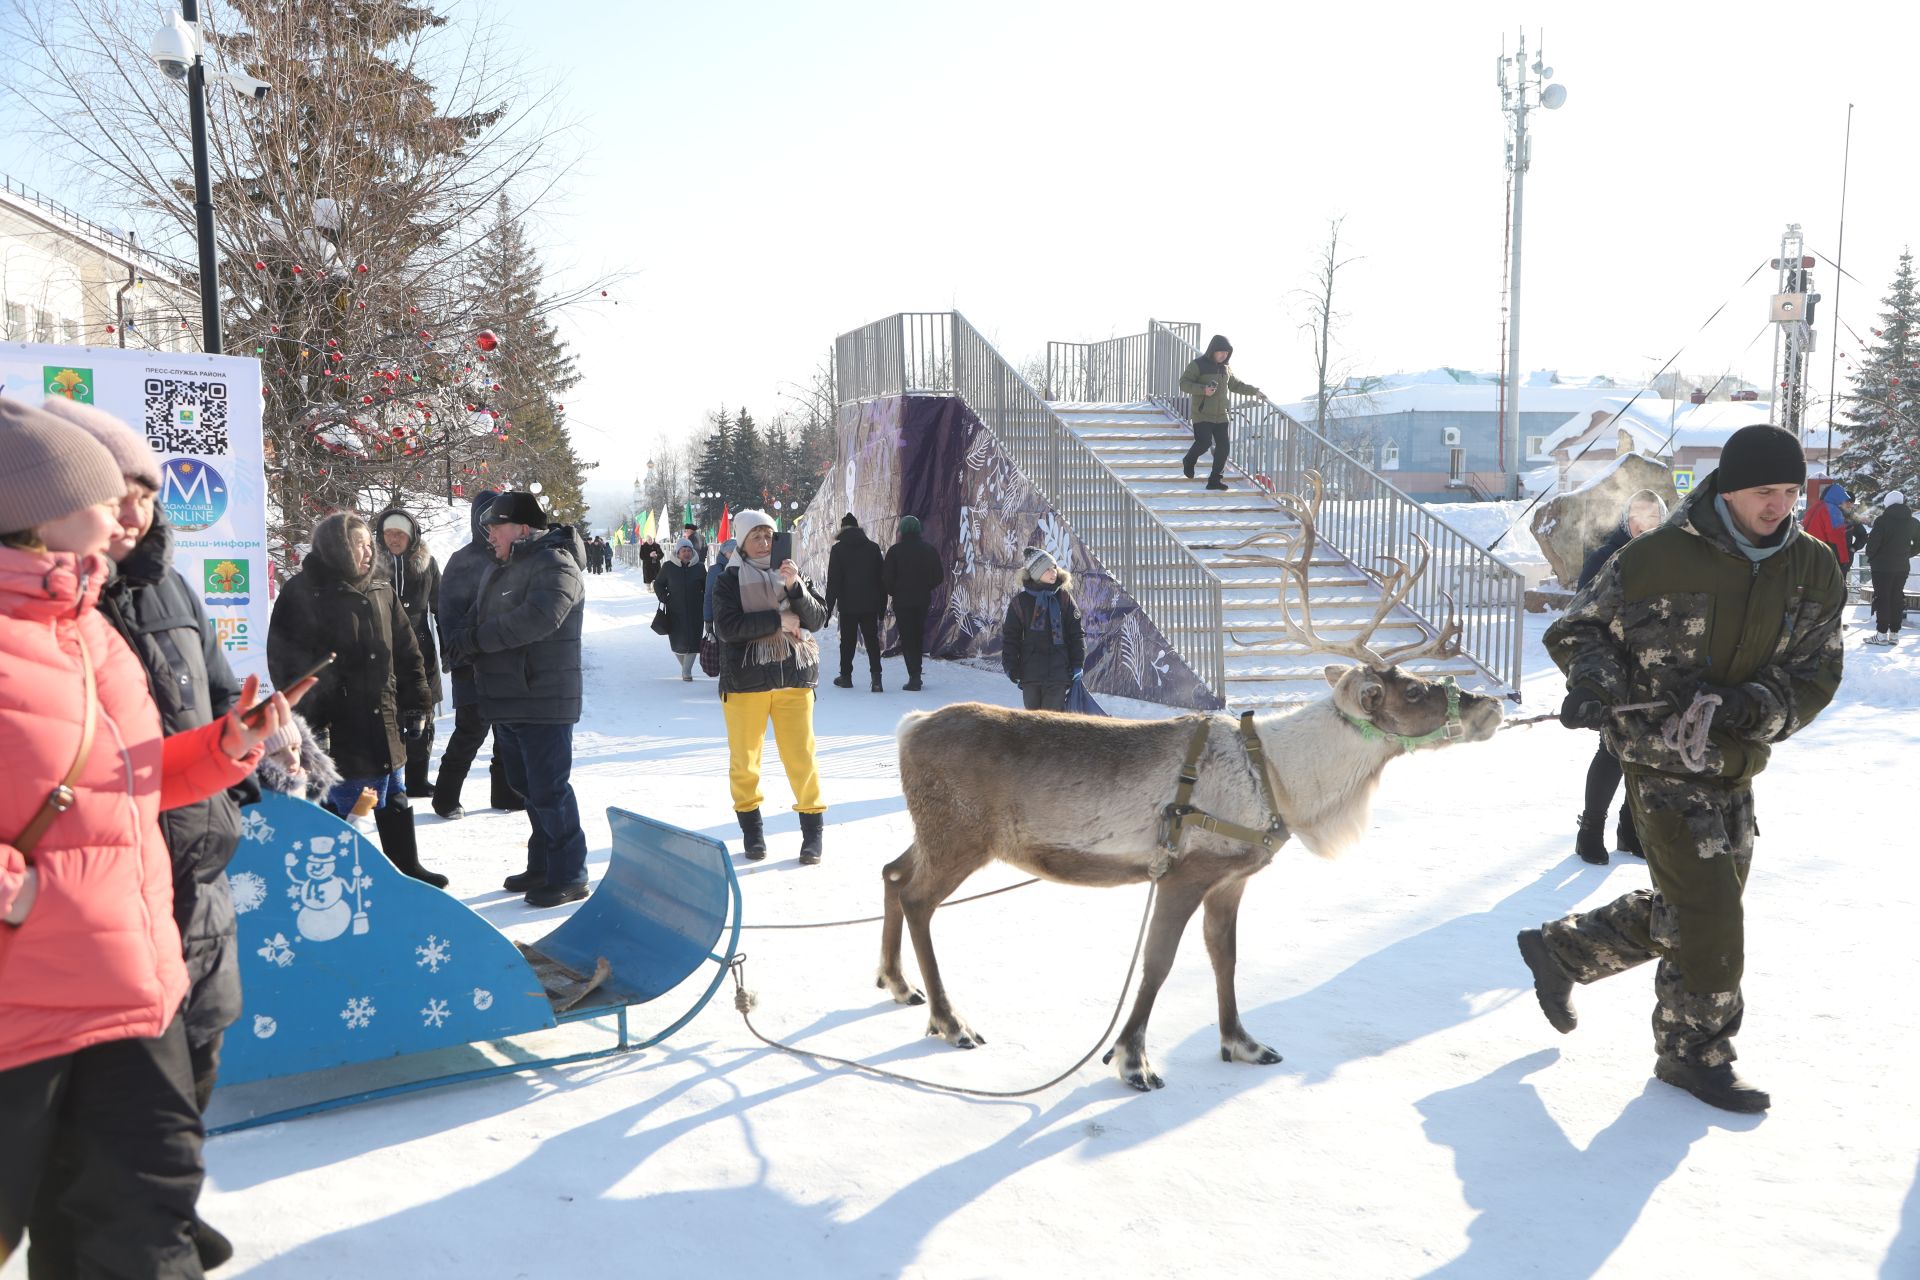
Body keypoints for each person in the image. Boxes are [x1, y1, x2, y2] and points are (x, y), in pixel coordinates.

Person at [1, 398, 306, 1278]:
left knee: (142, 1224)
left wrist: (225, 748)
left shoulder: (88, 624)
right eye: (102, 495)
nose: (124, 514)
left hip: (134, 984)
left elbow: (119, 778)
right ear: (32, 512)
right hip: (25, 1008)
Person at [1520, 425, 1845, 1113]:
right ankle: (1694, 1056)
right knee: (1712, 913)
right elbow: (1580, 629)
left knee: (1693, 912)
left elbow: (1818, 670)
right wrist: (1593, 684)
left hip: (1736, 757)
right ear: (1729, 490)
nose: (1779, 506)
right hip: (1657, 759)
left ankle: (1565, 951)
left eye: (1791, 492)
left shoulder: (1812, 568)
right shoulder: (1657, 556)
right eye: (1765, 492)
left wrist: (1752, 706)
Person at [46, 396, 253, 1267]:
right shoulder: (49, 609)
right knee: (119, 1091)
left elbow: (209, 687)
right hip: (102, 887)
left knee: (196, 1053)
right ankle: (133, 1219)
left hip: (195, 871)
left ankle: (170, 1204)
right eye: (115, 490)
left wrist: (244, 740)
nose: (134, 510)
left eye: (145, 490)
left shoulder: (171, 586)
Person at [269, 511, 444, 887]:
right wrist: (313, 726)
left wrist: (417, 702)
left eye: (369, 542)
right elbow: (288, 666)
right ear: (336, 548)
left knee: (394, 793)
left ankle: (406, 871)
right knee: (346, 805)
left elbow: (407, 650)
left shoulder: (380, 586)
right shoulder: (303, 592)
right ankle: (342, 879)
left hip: (383, 713)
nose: (369, 551)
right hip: (337, 723)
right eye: (359, 544)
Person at [442, 492, 590, 907]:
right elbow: (475, 616)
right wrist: (458, 642)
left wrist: (474, 641)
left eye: (496, 525)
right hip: (507, 697)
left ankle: (570, 874)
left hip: (543, 698)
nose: (488, 533)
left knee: (549, 789)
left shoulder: (556, 563)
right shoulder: (500, 568)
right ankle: (542, 865)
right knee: (526, 786)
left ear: (523, 528)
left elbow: (538, 619)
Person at [712, 510, 828, 864]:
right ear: (742, 543)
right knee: (745, 762)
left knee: (802, 758)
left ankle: (812, 834)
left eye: (769, 536)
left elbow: (818, 619)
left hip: (794, 679)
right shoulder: (728, 580)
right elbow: (728, 628)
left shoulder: (792, 573)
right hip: (746, 683)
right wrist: (777, 619)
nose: (764, 543)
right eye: (756, 537)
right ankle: (753, 832)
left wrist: (795, 588)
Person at [1567, 489, 1666, 864]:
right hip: (1614, 667)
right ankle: (1590, 830)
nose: (1647, 524)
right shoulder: (1605, 557)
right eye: (1640, 516)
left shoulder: (1670, 556)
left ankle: (1630, 828)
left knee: (1647, 751)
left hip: (1655, 668)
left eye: (1655, 517)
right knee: (1612, 749)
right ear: (1626, 518)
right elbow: (1581, 618)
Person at [374, 505, 443, 799]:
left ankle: (418, 779)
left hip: (420, 649)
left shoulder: (427, 565)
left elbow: (441, 607)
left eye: (399, 533)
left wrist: (450, 646)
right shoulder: (370, 565)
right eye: (388, 532)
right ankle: (387, 780)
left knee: (421, 715)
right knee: (386, 715)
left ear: (411, 536)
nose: (394, 538)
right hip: (380, 649)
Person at [1001, 547, 1085, 711]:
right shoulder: (1020, 602)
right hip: (1030, 674)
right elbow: (1011, 638)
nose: (1053, 572)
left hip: (1059, 673)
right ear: (1036, 573)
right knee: (1033, 724)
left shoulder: (1064, 599)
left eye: (1054, 567)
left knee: (1051, 724)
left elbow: (1076, 634)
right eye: (1047, 569)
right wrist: (1011, 668)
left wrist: (1077, 664)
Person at [1178, 334, 1263, 491]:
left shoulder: (1226, 368)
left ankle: (1215, 480)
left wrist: (1255, 392)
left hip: (1221, 415)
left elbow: (1236, 385)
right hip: (1202, 413)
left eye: (1227, 352)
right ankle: (1189, 460)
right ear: (1213, 351)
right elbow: (1183, 383)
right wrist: (1203, 390)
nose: (1224, 355)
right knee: (1204, 443)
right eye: (1221, 352)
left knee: (1223, 448)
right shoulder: (1198, 365)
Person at [825, 511, 888, 692]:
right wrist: (882, 607)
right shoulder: (873, 548)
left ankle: (846, 677)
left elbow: (833, 582)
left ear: (842, 529)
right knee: (872, 641)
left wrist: (827, 610)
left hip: (848, 605)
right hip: (870, 604)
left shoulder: (838, 550)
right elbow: (881, 580)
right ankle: (876, 679)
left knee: (847, 642)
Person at [882, 514, 945, 692]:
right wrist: (926, 587)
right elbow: (938, 576)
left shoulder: (895, 551)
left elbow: (886, 578)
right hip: (922, 600)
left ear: (901, 530)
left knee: (907, 637)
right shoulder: (929, 550)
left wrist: (895, 591)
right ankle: (916, 673)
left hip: (902, 601)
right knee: (917, 635)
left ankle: (914, 676)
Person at [1863, 490, 1918, 645]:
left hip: (1882, 567)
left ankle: (1881, 634)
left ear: (1887, 503)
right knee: (1896, 597)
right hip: (1902, 566)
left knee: (1883, 598)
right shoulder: (1912, 521)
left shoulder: (1882, 521)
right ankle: (1894, 633)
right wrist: (1908, 553)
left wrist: (1872, 556)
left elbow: (1873, 544)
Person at [656, 536, 708, 680]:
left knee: (693, 642)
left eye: (689, 550)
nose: (686, 553)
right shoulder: (668, 567)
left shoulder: (699, 567)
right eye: (683, 550)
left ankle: (686, 672)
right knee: (677, 643)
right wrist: (663, 596)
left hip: (695, 611)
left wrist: (706, 601)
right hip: (675, 611)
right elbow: (658, 583)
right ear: (677, 552)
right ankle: (686, 668)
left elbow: (706, 587)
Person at [1800, 480, 1857, 573]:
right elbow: (1837, 539)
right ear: (1838, 498)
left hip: (1810, 553)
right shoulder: (1833, 510)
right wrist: (1844, 561)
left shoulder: (1815, 507)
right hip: (1825, 557)